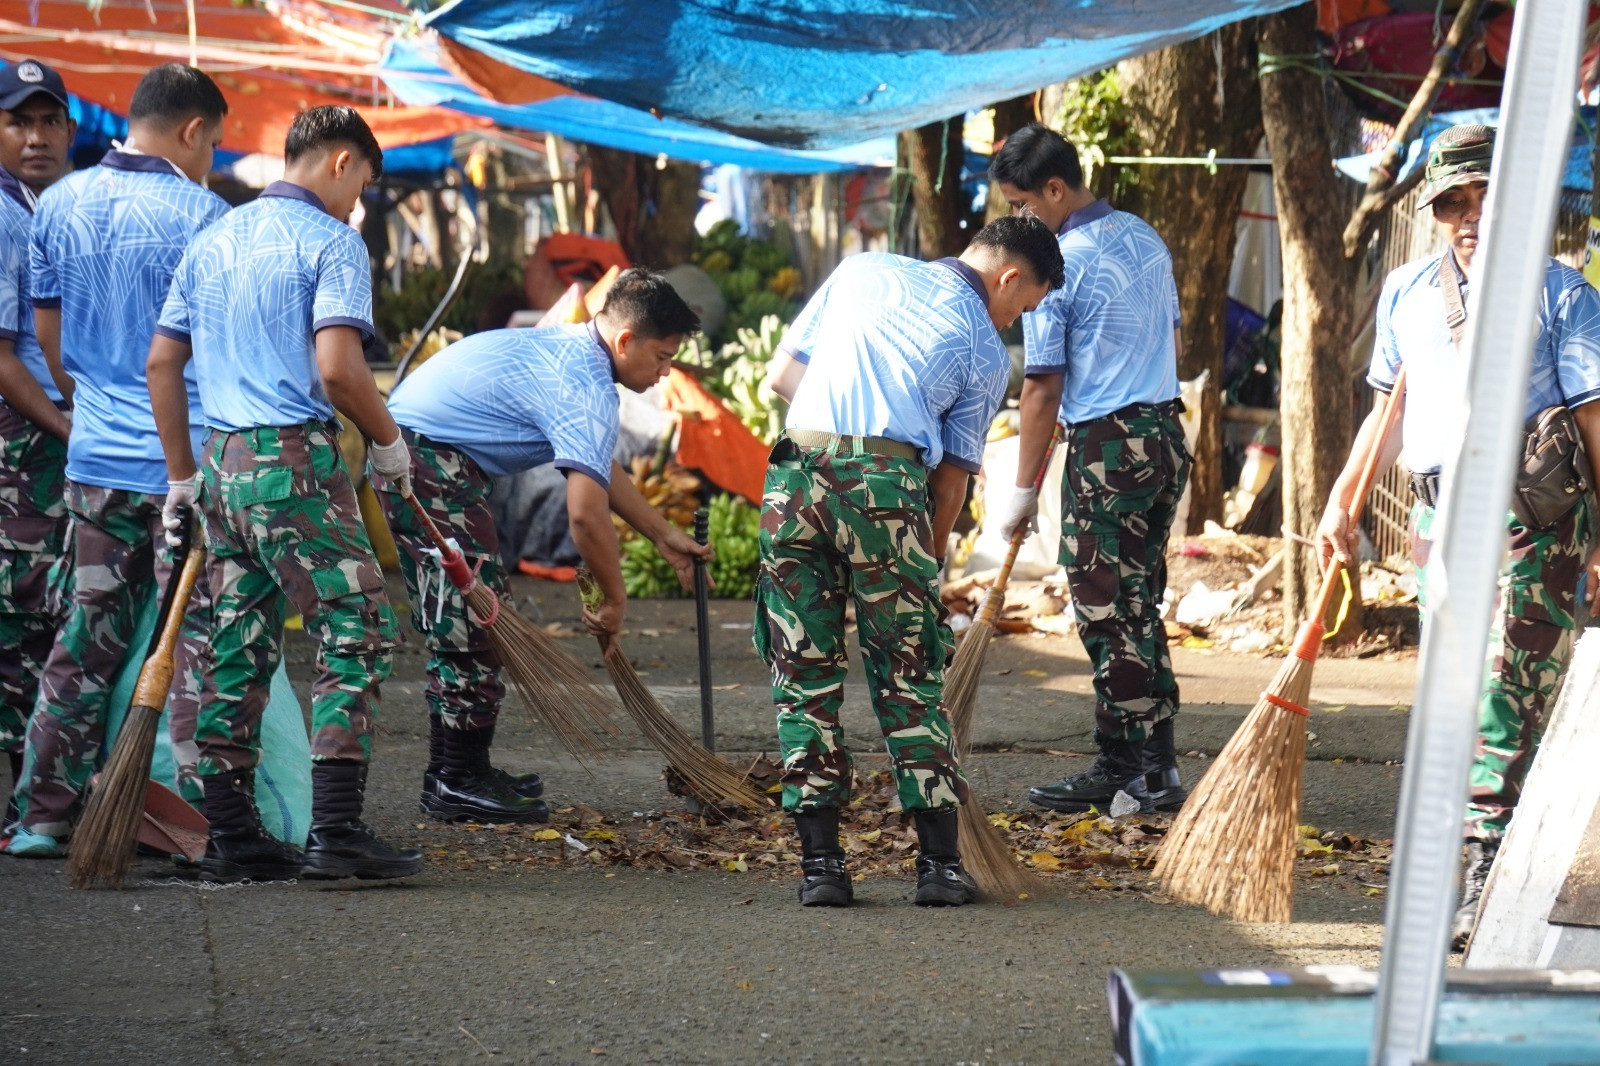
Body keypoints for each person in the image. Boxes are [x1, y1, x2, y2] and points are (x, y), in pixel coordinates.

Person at [1315, 123, 1600, 949]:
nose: (1471, 216)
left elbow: (1592, 422)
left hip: (1531, 524)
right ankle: (1468, 866)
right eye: (1453, 203)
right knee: (1452, 694)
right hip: (1442, 520)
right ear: (1434, 211)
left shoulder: (1564, 295)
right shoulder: (1408, 290)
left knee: (1504, 699)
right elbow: (1389, 414)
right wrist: (1345, 500)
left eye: (1486, 197)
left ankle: (1484, 879)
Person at [757, 215, 1064, 907]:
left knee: (802, 676)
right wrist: (932, 561)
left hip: (794, 476)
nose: (1016, 321)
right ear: (1009, 276)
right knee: (908, 675)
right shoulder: (985, 354)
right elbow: (950, 484)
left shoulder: (863, 268)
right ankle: (939, 869)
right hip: (888, 490)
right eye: (1025, 306)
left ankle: (821, 869)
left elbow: (783, 376)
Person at [149, 105, 420, 883]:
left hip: (221, 462)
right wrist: (390, 441)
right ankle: (336, 831)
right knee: (358, 622)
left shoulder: (212, 239)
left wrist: (180, 478)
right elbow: (338, 369)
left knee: (235, 640)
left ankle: (230, 837)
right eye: (363, 183)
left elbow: (163, 365)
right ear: (340, 163)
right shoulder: (332, 243)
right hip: (291, 460)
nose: (359, 202)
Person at [376, 269, 710, 825]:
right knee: (476, 619)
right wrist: (615, 597)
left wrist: (662, 532)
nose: (665, 372)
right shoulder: (585, 383)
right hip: (425, 459)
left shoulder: (578, 352)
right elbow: (584, 513)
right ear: (625, 340)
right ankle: (457, 780)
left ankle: (458, 772)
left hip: (423, 453)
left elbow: (599, 463)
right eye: (661, 357)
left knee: (474, 616)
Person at [6, 64, 227, 857]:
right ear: (194, 130)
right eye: (215, 141)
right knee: (194, 646)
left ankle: (41, 815)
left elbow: (53, 343)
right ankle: (191, 823)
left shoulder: (55, 206)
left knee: (84, 639)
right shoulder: (205, 214)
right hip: (185, 466)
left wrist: (99, 402)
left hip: (94, 459)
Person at [989, 123, 1192, 815]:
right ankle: (1135, 763)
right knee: (1136, 601)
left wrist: (1019, 492)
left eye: (1023, 204)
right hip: (1163, 434)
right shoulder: (1144, 235)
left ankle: (1143, 772)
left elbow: (1042, 386)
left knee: (1106, 609)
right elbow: (1172, 335)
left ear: (1054, 188)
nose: (1019, 219)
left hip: (1108, 446)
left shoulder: (1058, 264)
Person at [0, 59, 75, 828]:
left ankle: (40, 793)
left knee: (44, 605)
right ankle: (32, 799)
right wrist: (65, 428)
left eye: (49, 121)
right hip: (22, 436)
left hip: (45, 431)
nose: (36, 138)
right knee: (22, 609)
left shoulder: (43, 210)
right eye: (19, 121)